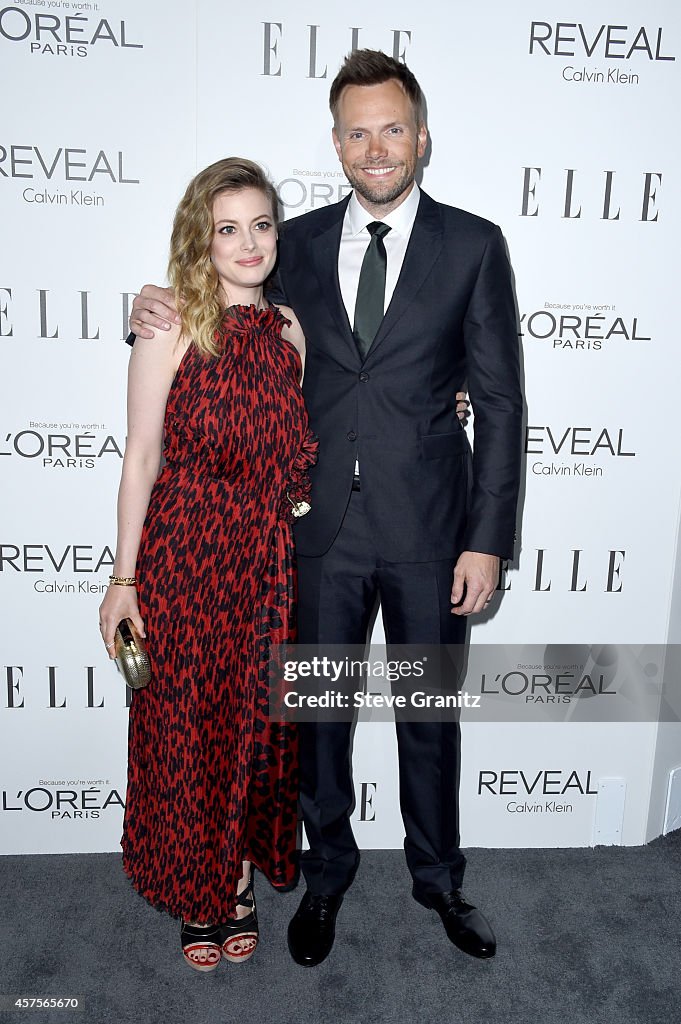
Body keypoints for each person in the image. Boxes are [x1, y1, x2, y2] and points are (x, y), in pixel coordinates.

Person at [129, 50, 523, 966]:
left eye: (392, 128)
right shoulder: (289, 243)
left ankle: (438, 880)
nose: (375, 147)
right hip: (312, 541)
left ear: (420, 137)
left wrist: (487, 541)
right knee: (318, 728)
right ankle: (326, 878)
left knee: (429, 720)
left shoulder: (473, 245)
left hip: (431, 536)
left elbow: (499, 401)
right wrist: (145, 308)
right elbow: (214, 311)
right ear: (336, 142)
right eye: (357, 131)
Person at [100, 157, 317, 972]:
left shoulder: (291, 330)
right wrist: (123, 581)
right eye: (228, 228)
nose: (248, 242)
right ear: (204, 239)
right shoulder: (170, 324)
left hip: (265, 561)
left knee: (253, 728)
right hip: (185, 552)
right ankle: (202, 891)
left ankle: (234, 879)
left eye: (261, 224)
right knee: (187, 727)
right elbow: (142, 454)